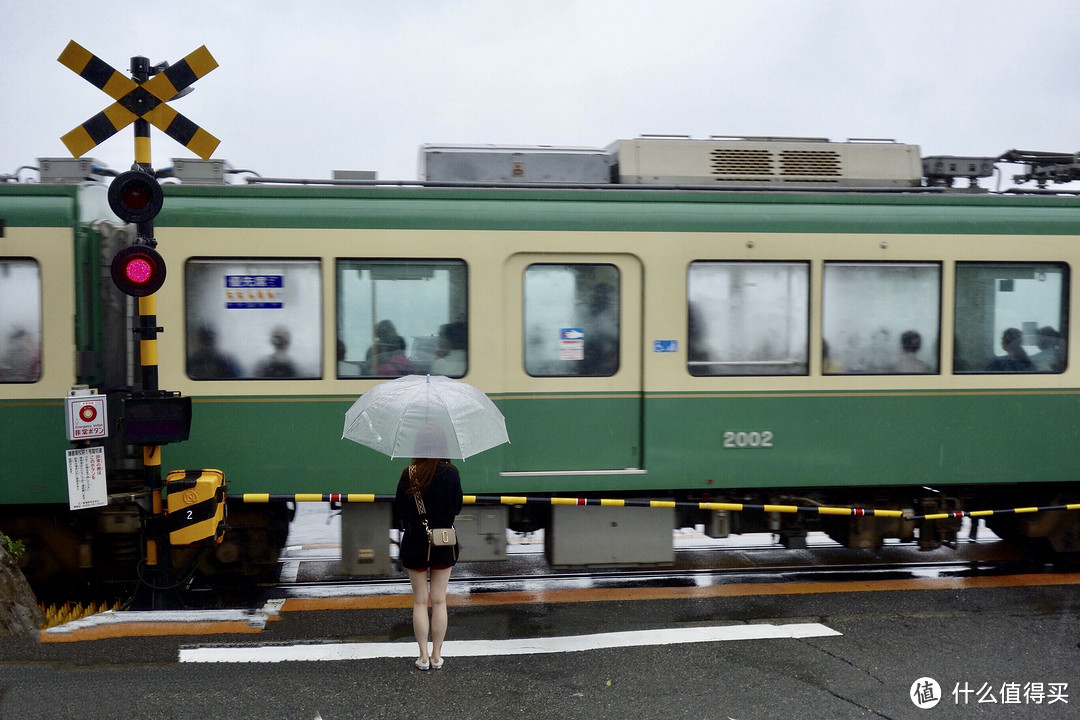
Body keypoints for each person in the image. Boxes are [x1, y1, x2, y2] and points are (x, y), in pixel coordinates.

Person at [394, 424, 463, 671]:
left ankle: (422, 656)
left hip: (415, 543)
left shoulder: (409, 473)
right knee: (440, 600)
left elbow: (399, 510)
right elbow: (456, 508)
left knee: (420, 601)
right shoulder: (452, 473)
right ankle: (436, 655)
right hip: (443, 543)